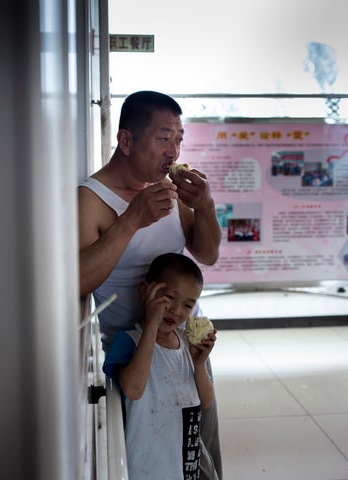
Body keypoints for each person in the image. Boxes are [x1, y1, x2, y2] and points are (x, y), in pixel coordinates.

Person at [78, 90, 223, 478]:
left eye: (179, 138)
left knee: (196, 450)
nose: (173, 152)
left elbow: (207, 254)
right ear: (126, 141)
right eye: (163, 138)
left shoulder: (172, 193)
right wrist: (131, 220)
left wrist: (205, 207)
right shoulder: (90, 200)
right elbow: (76, 282)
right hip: (133, 357)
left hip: (184, 347)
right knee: (147, 459)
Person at [103, 253, 217, 480]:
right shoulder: (129, 341)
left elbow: (206, 401)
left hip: (184, 466)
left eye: (187, 305)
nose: (176, 310)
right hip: (147, 469)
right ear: (146, 291)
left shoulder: (186, 343)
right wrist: (152, 326)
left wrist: (199, 363)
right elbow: (134, 390)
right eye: (168, 298)